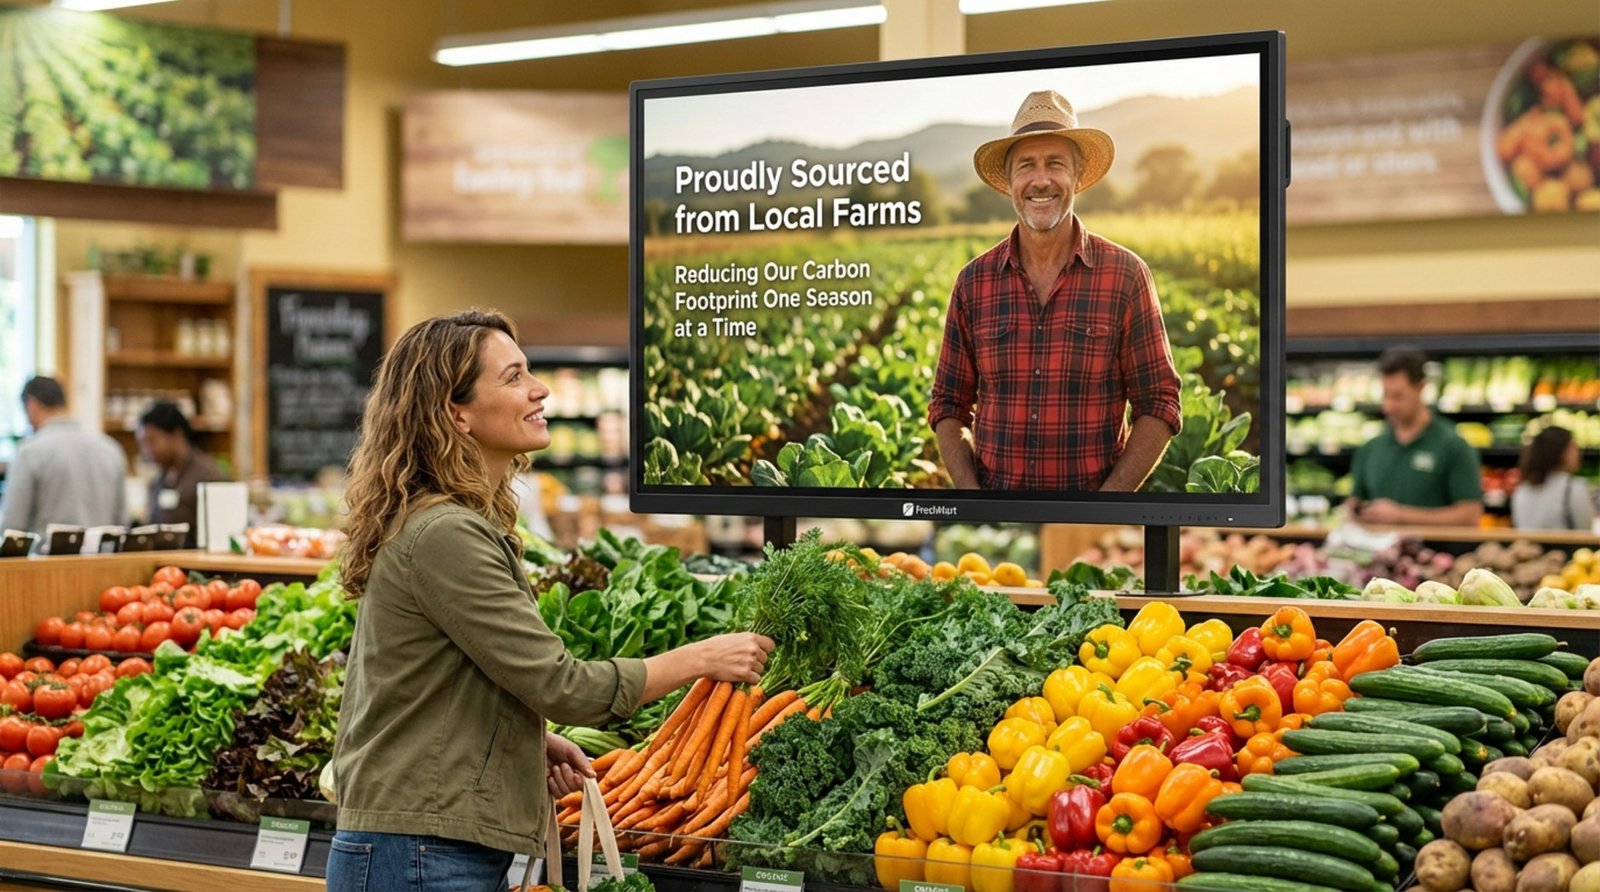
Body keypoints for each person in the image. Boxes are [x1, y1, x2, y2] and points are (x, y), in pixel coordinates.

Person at [326, 310, 774, 892]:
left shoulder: (450, 523)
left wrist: (519, 740)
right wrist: (703, 658)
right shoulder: (445, 534)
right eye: (513, 377)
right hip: (419, 853)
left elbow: (438, 684)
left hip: (425, 847)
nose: (538, 389)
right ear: (455, 412)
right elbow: (563, 686)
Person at [927, 90, 1181, 491]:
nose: (1041, 179)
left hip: (1088, 520)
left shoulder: (1126, 276)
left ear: (1078, 177)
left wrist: (1105, 508)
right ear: (1009, 182)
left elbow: (1159, 401)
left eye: (1055, 164)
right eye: (1026, 165)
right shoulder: (973, 283)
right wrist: (971, 498)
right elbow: (947, 403)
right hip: (997, 518)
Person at [1347, 347, 1484, 526]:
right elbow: (1354, 501)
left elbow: (1470, 515)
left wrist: (1402, 515)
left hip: (1435, 552)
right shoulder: (1372, 447)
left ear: (1420, 387)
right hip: (1378, 552)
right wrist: (1355, 512)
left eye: (1398, 396)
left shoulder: (1453, 445)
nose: (1388, 406)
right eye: (1385, 395)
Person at [0, 376, 127, 549]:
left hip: (48, 568)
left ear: (32, 405)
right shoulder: (111, 449)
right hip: (101, 565)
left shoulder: (30, 452)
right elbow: (121, 521)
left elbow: (13, 528)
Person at [135, 400, 229, 547]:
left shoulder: (209, 477)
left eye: (151, 441)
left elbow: (220, 538)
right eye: (142, 443)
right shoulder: (160, 478)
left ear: (176, 435)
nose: (146, 451)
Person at [1512, 426, 1594, 531]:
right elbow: (1585, 531)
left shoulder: (1522, 489)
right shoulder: (1574, 488)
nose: (1578, 453)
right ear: (1561, 453)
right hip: (1567, 547)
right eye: (1573, 448)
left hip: (1527, 547)